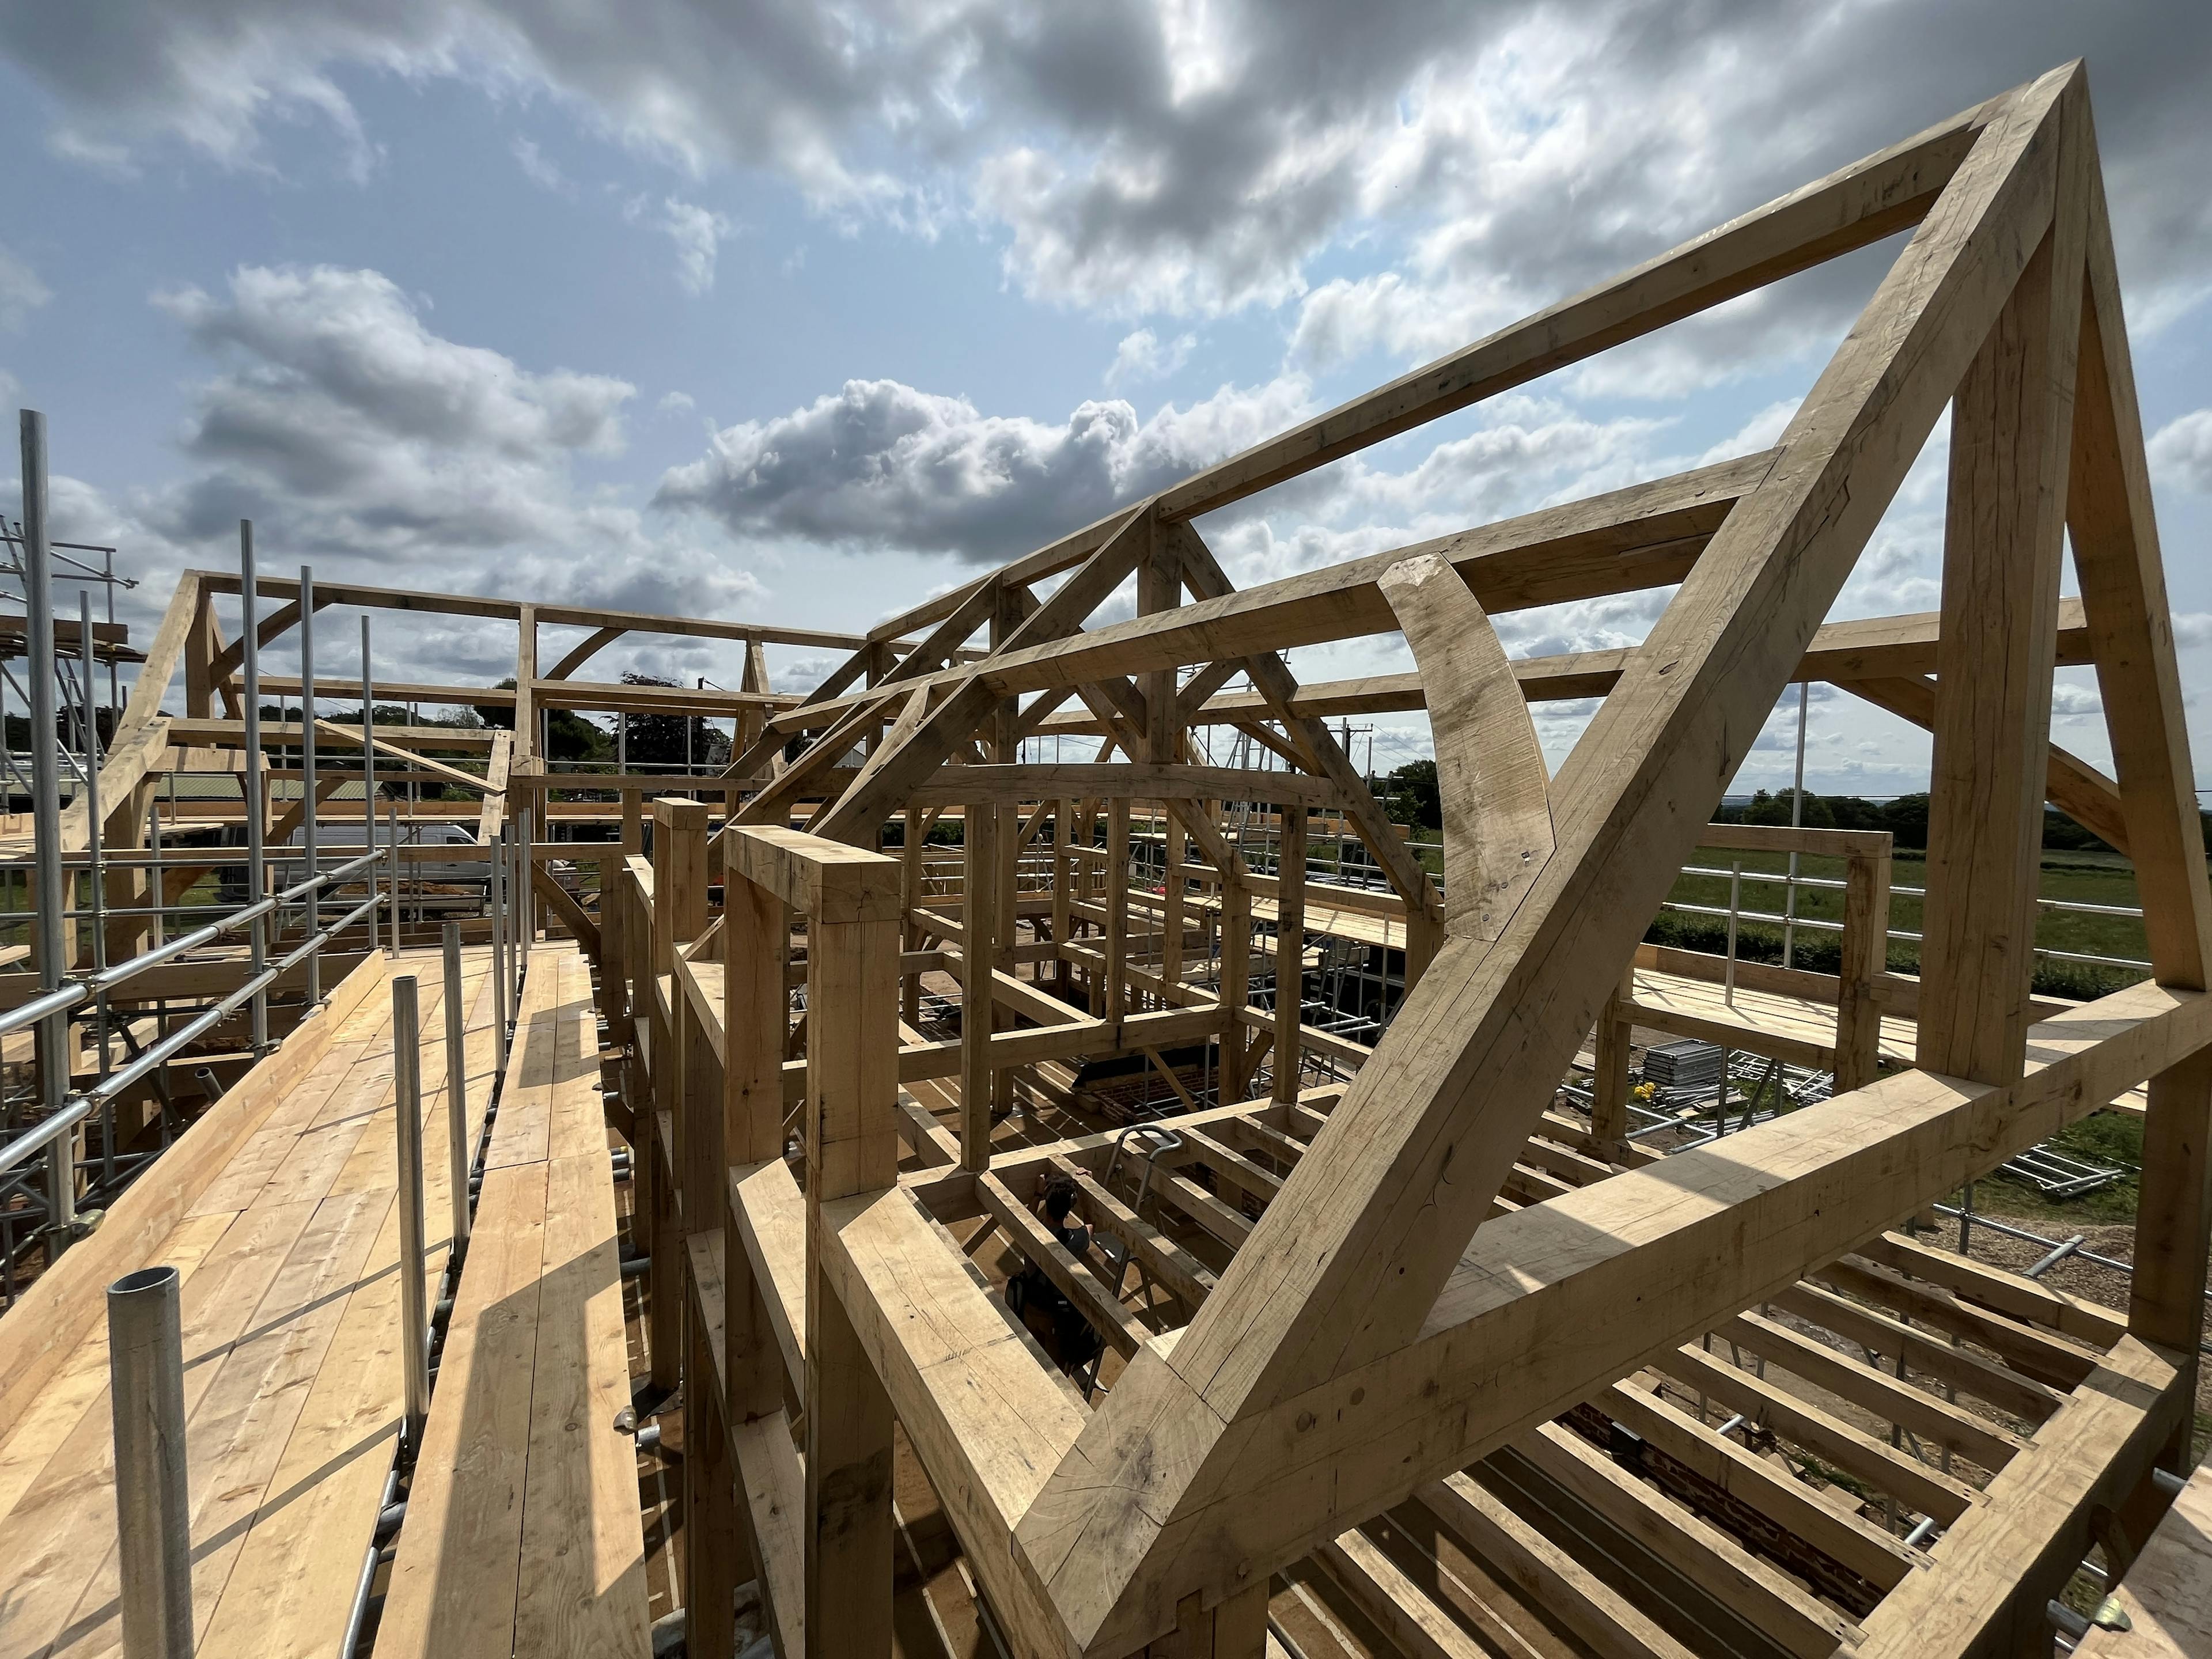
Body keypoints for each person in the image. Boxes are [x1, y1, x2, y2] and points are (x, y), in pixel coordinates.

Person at [1004, 1175, 1105, 1376]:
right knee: (1054, 1369)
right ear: (1068, 1210)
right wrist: (1087, 1190)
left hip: (1030, 1305)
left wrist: (1037, 1193)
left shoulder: (1032, 1232)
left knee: (1032, 1353)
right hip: (1056, 1314)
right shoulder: (1076, 1241)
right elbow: (1090, 1224)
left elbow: (1026, 1218)